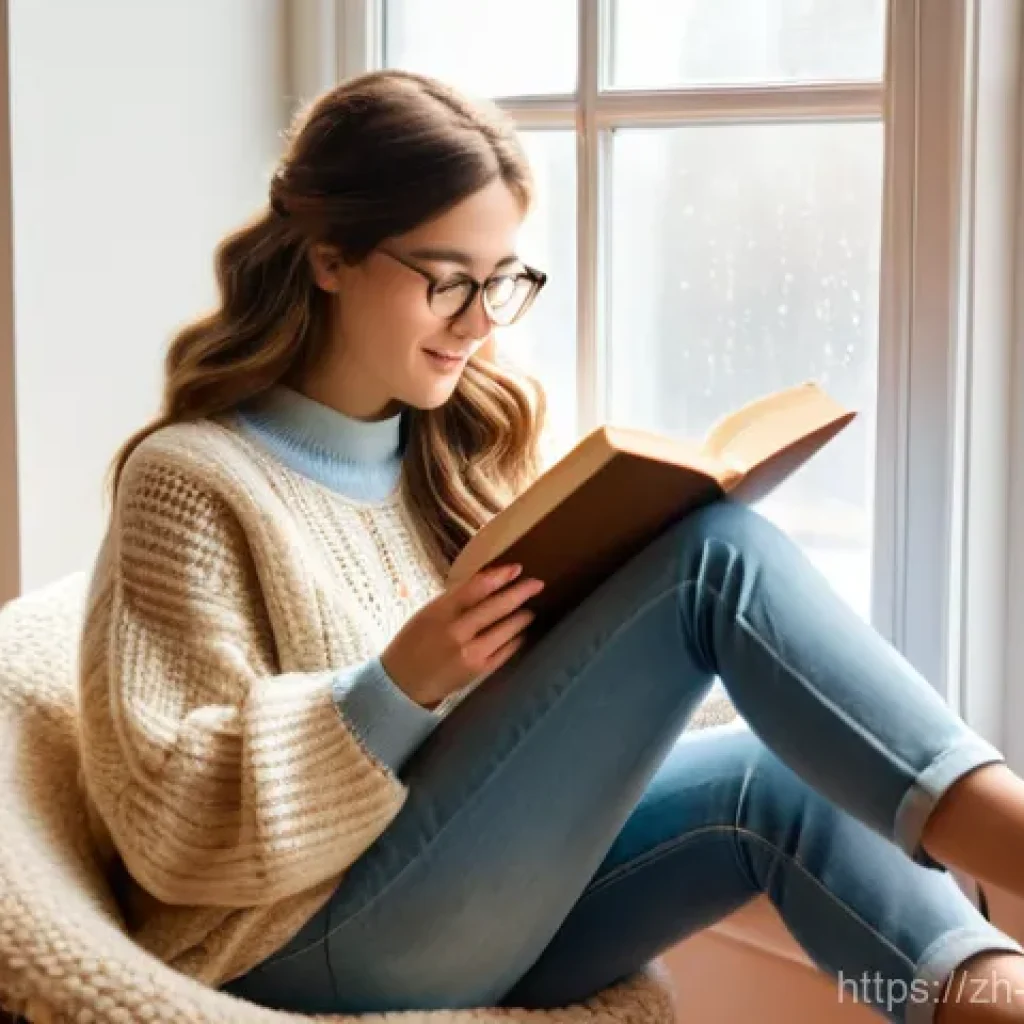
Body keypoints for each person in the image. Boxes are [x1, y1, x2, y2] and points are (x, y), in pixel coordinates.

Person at [77, 69, 1024, 1024]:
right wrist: (394, 689)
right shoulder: (191, 480)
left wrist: (645, 674)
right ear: (330, 256)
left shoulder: (455, 452)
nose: (482, 320)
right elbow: (169, 822)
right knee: (716, 558)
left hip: (476, 906)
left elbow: (535, 741)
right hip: (299, 947)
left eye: (502, 282)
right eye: (449, 280)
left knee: (783, 778)